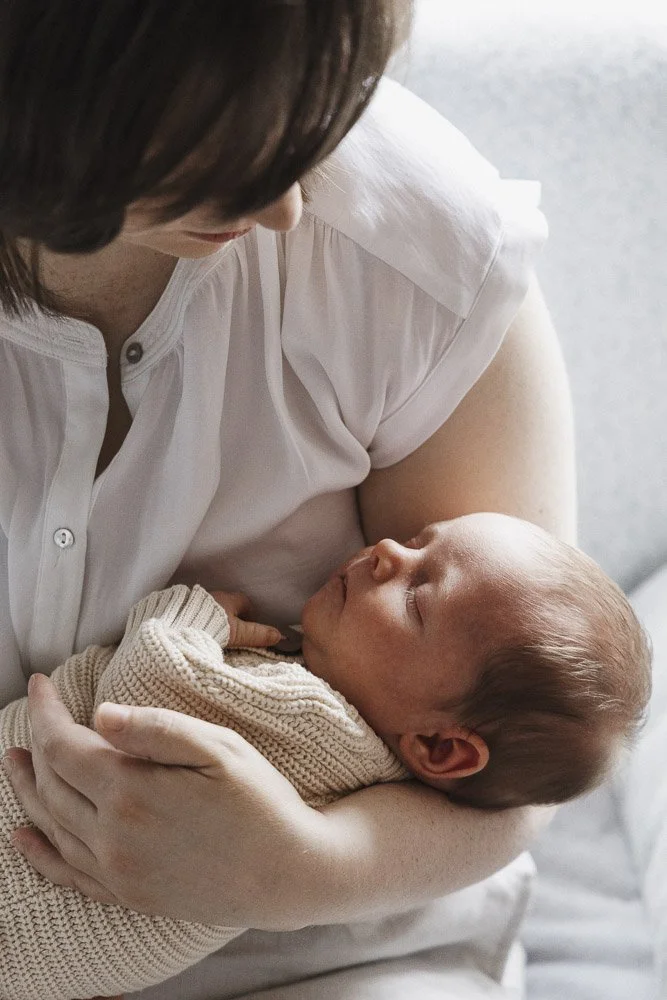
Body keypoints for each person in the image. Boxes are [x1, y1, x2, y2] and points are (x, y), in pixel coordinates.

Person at [0, 2, 579, 998]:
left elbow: (524, 759)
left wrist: (295, 867)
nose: (285, 213)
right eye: (228, 159)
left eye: (323, 125)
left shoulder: (419, 254)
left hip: (346, 946)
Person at [0, 512, 650, 999]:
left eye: (419, 597)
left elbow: (142, 696)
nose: (388, 552)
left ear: (440, 746)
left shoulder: (317, 726)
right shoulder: (360, 772)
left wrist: (190, 615)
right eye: (420, 538)